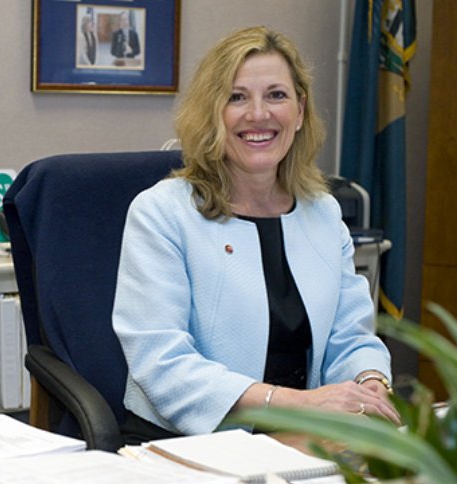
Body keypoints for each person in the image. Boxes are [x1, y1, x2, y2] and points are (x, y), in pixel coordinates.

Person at [112, 26, 398, 443]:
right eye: (237, 96)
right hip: (190, 442)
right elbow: (162, 362)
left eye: (276, 95)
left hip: (300, 436)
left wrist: (369, 384)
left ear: (299, 111)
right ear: (213, 111)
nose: (258, 114)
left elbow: (350, 336)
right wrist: (302, 403)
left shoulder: (323, 212)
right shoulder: (161, 213)